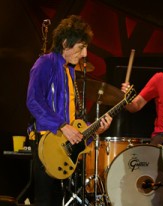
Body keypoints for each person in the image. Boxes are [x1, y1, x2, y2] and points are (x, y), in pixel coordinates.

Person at [26, 15, 112, 206]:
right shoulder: (45, 63)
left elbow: (73, 120)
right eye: (81, 47)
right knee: (45, 200)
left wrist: (94, 129)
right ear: (65, 43)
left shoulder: (69, 70)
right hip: (45, 141)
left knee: (57, 200)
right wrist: (61, 126)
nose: (84, 54)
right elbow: (33, 101)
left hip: (61, 147)